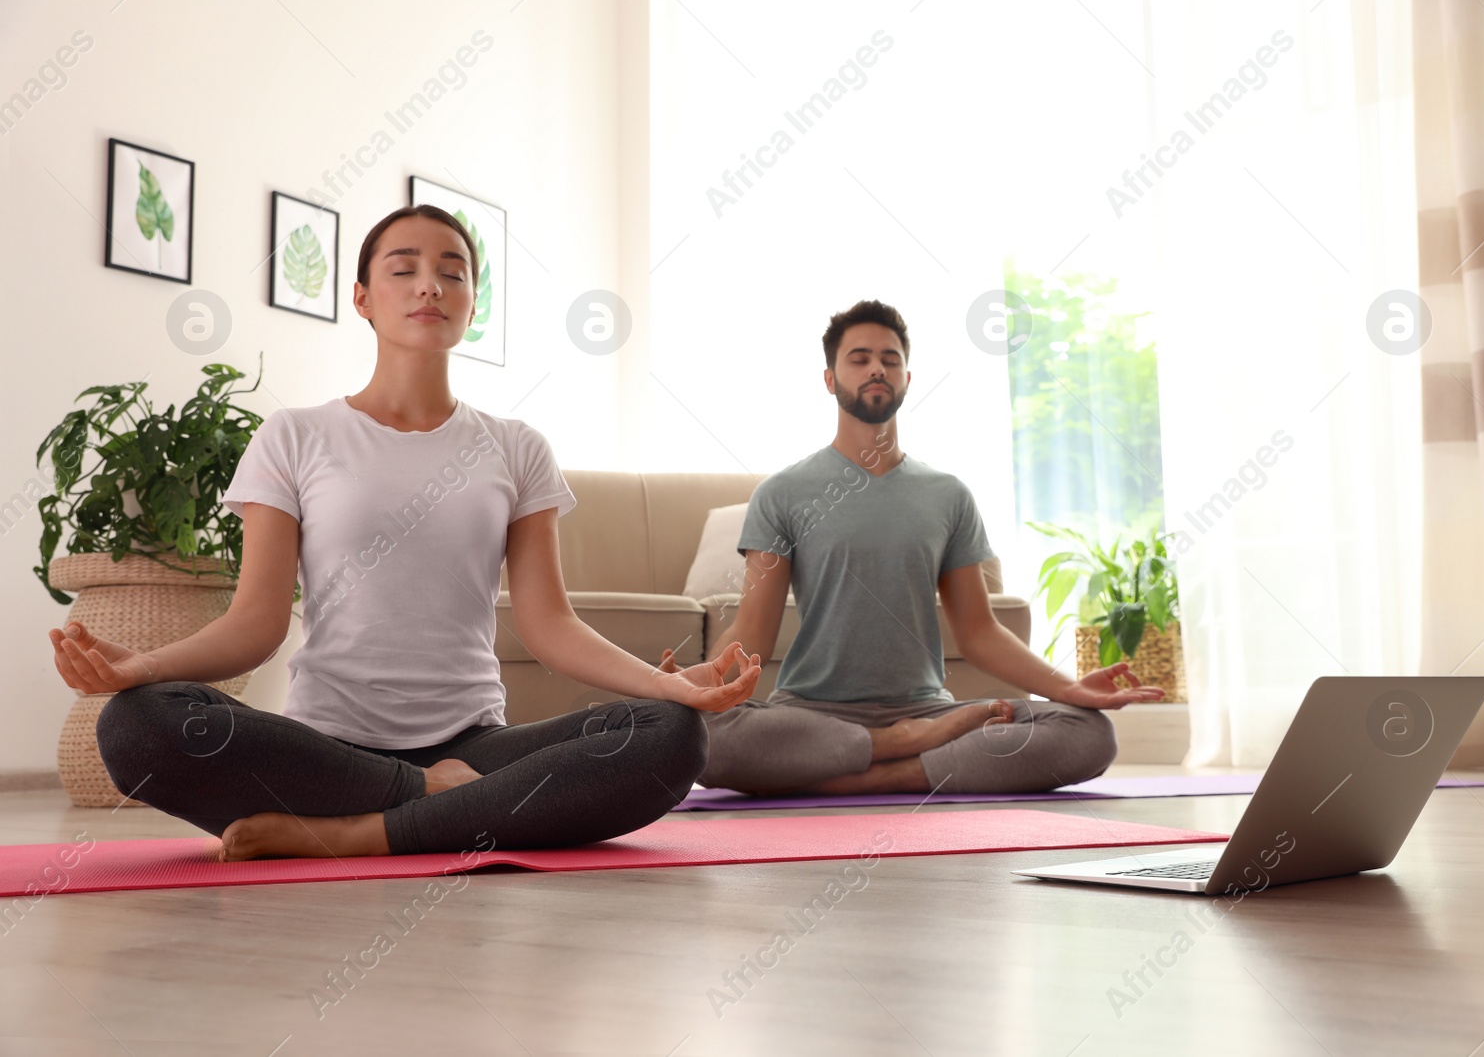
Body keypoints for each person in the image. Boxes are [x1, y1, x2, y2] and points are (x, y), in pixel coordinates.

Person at [47, 205, 759, 862]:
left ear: (472, 303)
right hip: (326, 751)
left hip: (475, 746)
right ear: (361, 297)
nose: (431, 285)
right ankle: (427, 800)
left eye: (454, 272)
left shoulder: (515, 447)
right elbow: (256, 622)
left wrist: (668, 688)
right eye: (404, 268)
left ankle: (364, 831)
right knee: (135, 725)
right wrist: (140, 669)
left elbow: (549, 624)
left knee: (671, 735)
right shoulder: (295, 436)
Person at [660, 299, 1162, 796]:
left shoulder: (947, 496)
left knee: (1089, 735)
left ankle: (868, 770)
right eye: (859, 358)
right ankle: (904, 751)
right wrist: (696, 685)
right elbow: (754, 632)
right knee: (700, 735)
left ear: (906, 378)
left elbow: (979, 632)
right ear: (830, 379)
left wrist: (1068, 689)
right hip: (811, 712)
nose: (877, 367)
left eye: (890, 358)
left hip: (928, 711)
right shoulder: (782, 494)